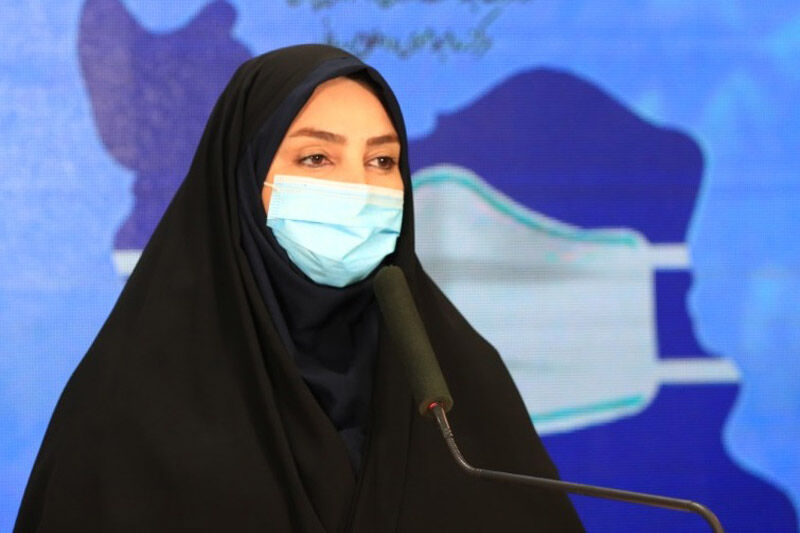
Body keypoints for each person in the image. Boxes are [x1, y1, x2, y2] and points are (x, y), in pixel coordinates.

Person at [15, 44, 584, 532]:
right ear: (243, 179)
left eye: (382, 160)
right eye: (316, 158)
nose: (360, 190)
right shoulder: (131, 412)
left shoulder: (457, 381)